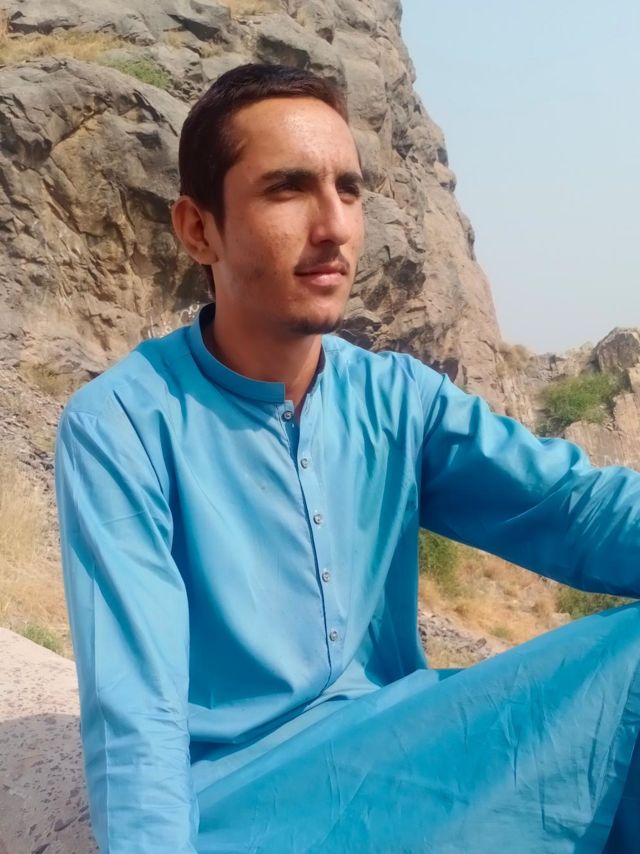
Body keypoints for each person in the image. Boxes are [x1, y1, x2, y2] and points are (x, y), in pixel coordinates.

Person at [54, 63, 640, 854]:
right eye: (288, 189)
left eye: (350, 189)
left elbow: (574, 511)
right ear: (198, 229)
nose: (334, 226)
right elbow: (136, 715)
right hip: (251, 805)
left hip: (403, 755)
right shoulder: (123, 426)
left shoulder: (397, 398)